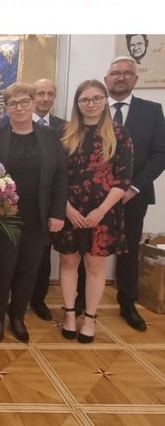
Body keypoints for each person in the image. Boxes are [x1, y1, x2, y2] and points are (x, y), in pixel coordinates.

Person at [0, 82, 67, 343]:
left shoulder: (49, 136)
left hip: (38, 216)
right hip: (5, 216)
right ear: (6, 108)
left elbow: (61, 175)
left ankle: (17, 316)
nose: (19, 107)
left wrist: (58, 213)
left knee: (29, 269)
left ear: (33, 103)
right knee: (3, 268)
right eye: (13, 103)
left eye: (24, 101)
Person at [55, 80, 133, 344]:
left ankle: (89, 319)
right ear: (77, 103)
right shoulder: (64, 134)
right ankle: (69, 315)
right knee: (69, 262)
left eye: (96, 98)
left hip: (103, 212)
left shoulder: (119, 134)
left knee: (95, 265)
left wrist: (100, 211)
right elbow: (55, 176)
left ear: (105, 100)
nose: (91, 104)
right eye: (85, 99)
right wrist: (67, 209)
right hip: (69, 209)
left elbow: (123, 179)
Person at [101, 56, 165, 331]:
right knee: (89, 248)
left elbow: (160, 154)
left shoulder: (152, 111)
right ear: (107, 79)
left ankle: (127, 302)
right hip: (96, 197)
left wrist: (133, 187)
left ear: (135, 79)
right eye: (116, 73)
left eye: (127, 73)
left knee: (128, 251)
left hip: (133, 196)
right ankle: (80, 301)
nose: (121, 77)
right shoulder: (93, 107)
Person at [29, 78, 68, 321]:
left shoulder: (65, 128)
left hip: (48, 205)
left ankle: (38, 299)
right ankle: (16, 299)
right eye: (40, 93)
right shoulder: (12, 125)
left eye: (50, 94)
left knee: (43, 257)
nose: (45, 98)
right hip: (20, 204)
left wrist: (58, 209)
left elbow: (63, 172)